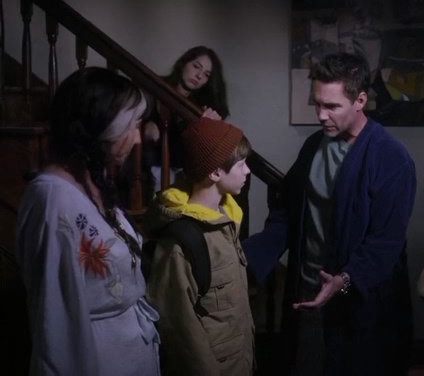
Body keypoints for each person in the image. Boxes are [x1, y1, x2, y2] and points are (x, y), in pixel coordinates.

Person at [243, 52, 416, 375]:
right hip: (307, 292)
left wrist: (344, 282)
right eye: (317, 104)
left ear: (360, 100)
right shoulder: (313, 146)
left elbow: (385, 244)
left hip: (357, 302)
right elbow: (287, 211)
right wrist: (248, 257)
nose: (321, 115)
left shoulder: (391, 158)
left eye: (332, 106)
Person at [15, 67, 160, 375]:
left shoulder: (91, 184)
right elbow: (56, 323)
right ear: (103, 130)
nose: (137, 139)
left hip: (128, 352)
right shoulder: (53, 201)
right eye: (132, 127)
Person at [143, 117, 254, 376]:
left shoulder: (227, 220)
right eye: (241, 164)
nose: (248, 171)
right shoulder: (181, 242)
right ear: (215, 173)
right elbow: (180, 329)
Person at [143, 46, 227, 192]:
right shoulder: (156, 85)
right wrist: (146, 126)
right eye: (196, 66)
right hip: (152, 165)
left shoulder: (198, 107)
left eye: (206, 75)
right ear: (183, 64)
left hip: (180, 169)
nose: (199, 76)